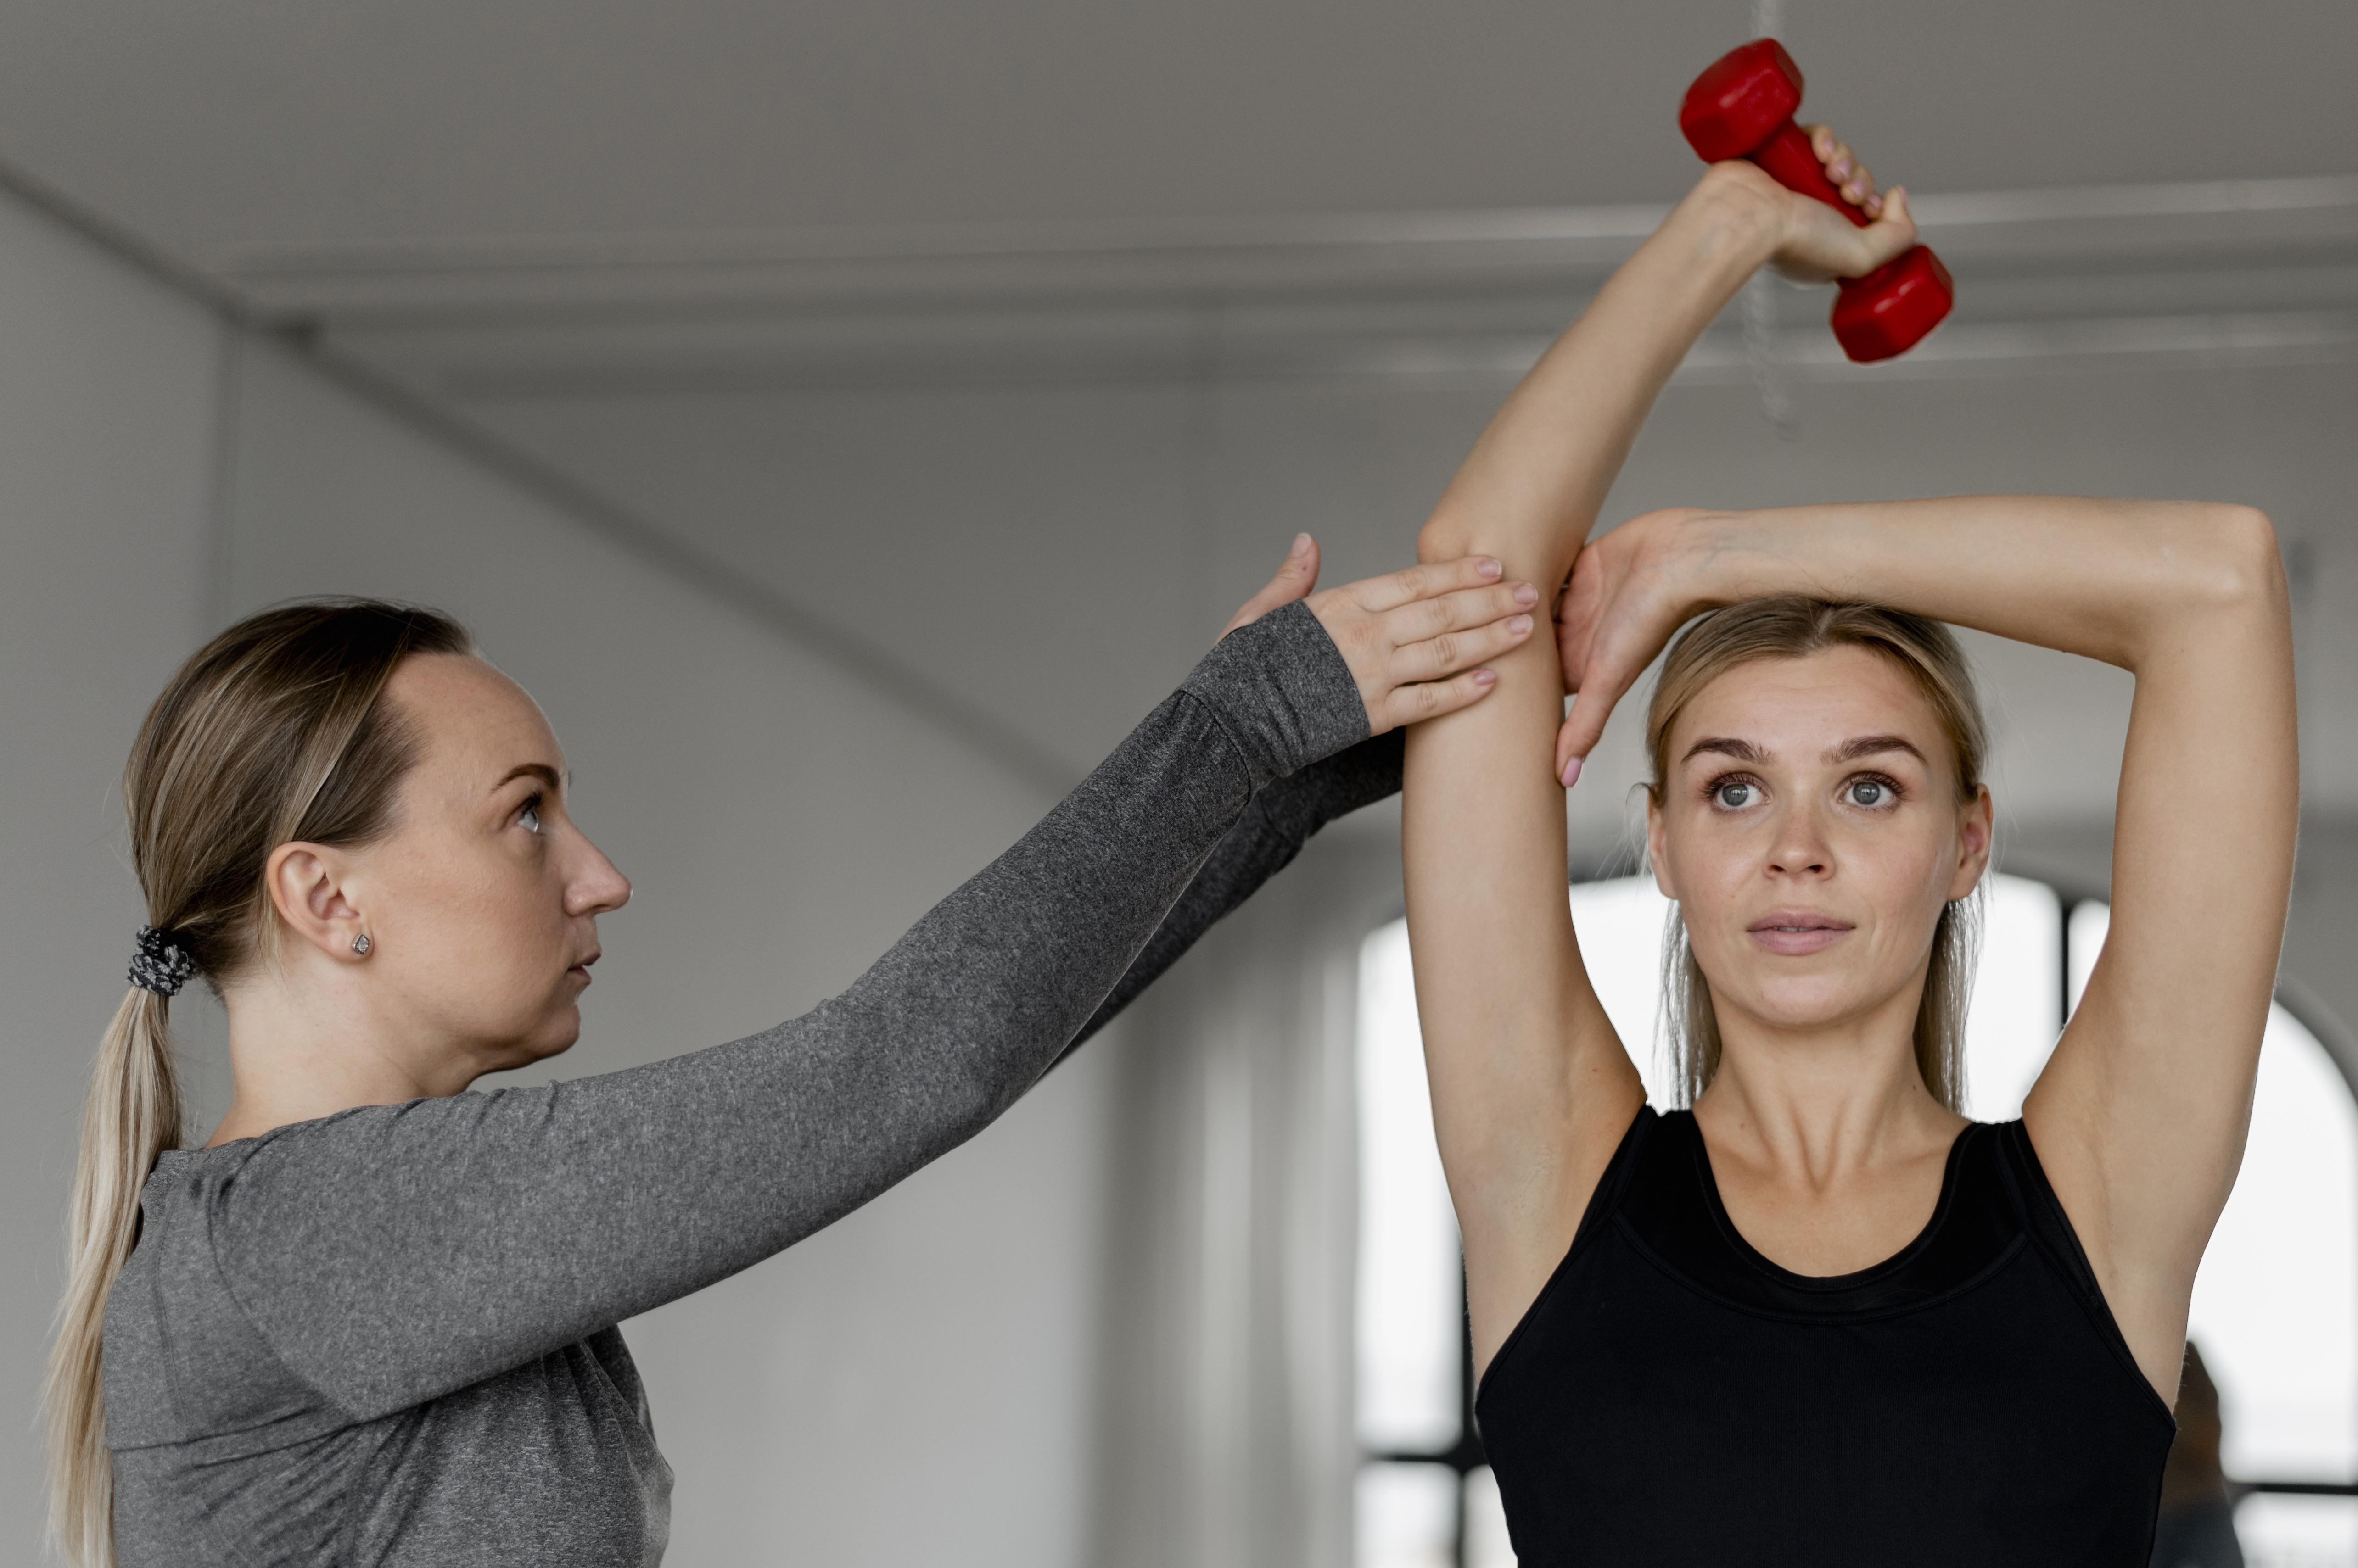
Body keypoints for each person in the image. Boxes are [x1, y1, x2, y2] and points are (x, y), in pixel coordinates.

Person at [47, 539, 1542, 1568]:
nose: (598, 873)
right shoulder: (318, 1230)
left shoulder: (341, 1234)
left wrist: (1271, 791)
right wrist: (1240, 724)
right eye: (526, 815)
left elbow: (959, 1062)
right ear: (326, 896)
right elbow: (899, 1069)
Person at [1403, 129, 2296, 1563]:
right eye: (1733, 789)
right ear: (1663, 848)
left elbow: (2217, 582)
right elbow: (1476, 576)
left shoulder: (2099, 1201)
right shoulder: (1550, 1179)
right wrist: (1727, 227)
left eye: (1871, 788)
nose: (1797, 848)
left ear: (1966, 844)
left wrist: (1726, 555)